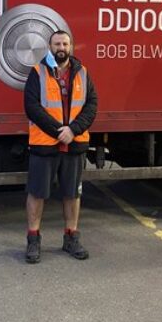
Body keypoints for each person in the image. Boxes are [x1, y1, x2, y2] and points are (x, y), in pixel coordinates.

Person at [23, 30, 98, 264]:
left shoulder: (83, 74)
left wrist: (73, 130)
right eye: (57, 43)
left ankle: (71, 237)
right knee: (37, 193)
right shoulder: (37, 73)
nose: (61, 47)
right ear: (50, 46)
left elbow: (92, 105)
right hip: (44, 144)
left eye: (65, 43)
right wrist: (59, 131)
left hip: (74, 144)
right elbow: (32, 107)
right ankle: (33, 240)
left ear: (71, 46)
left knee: (72, 193)